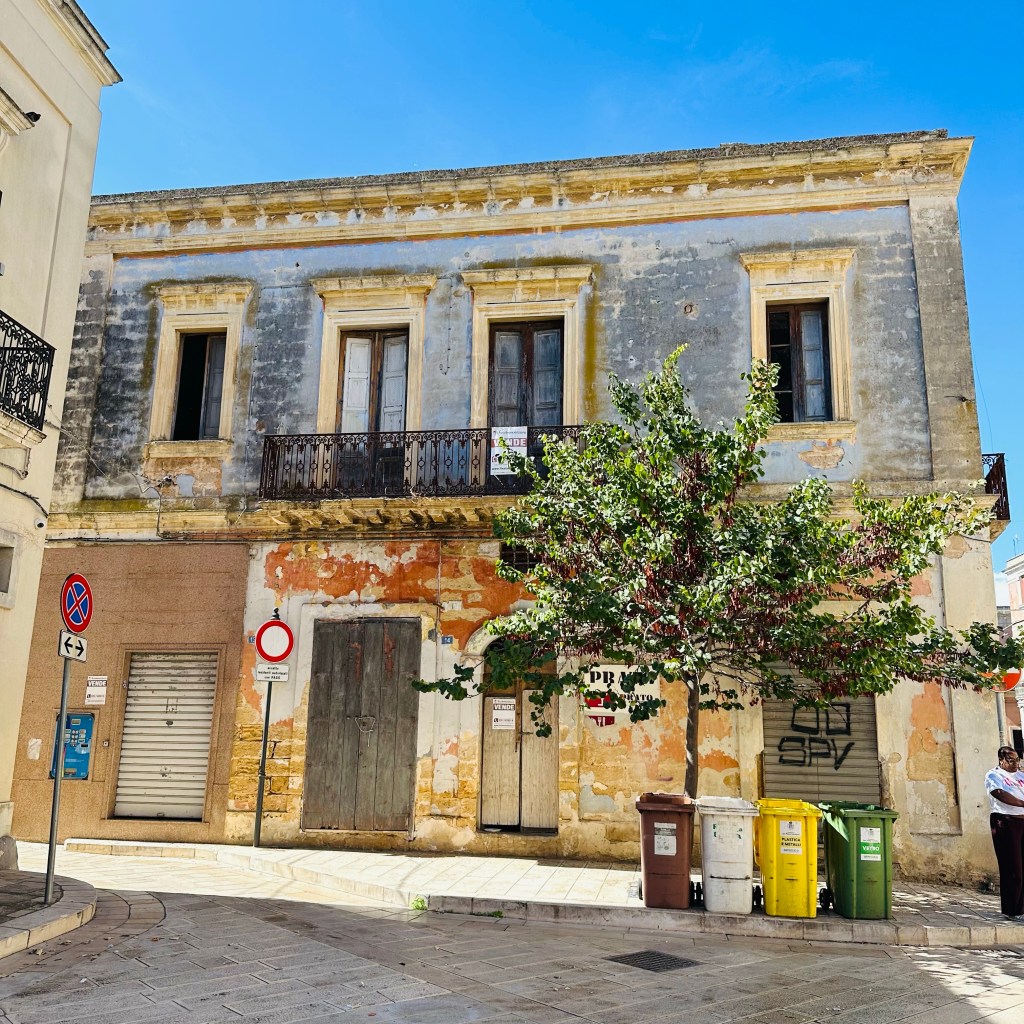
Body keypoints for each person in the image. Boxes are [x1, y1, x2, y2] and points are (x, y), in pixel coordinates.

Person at [985, 746, 1024, 919]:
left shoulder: (1021, 776)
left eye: (1017, 760)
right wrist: (1021, 803)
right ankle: (1012, 910)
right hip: (1005, 822)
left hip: (1023, 822)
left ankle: (1022, 909)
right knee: (1012, 867)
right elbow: (999, 793)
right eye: (1011, 760)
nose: (1016, 763)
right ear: (1001, 760)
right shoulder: (994, 775)